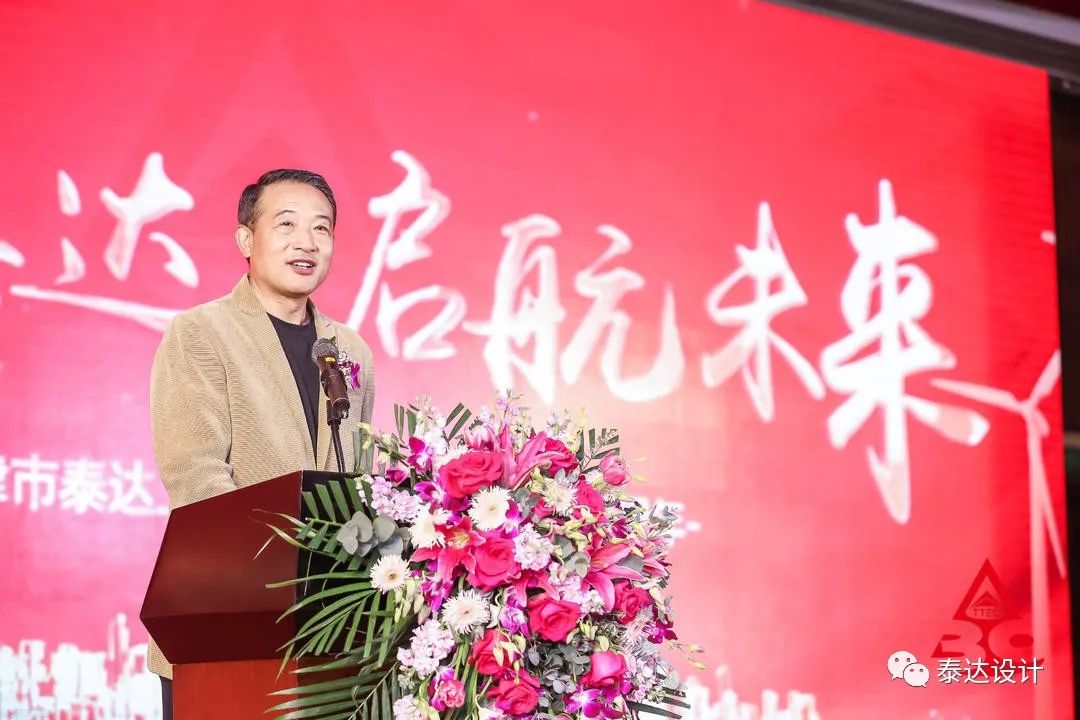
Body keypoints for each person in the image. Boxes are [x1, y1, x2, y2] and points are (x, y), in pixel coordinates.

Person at [146, 169, 375, 718]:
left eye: (321, 228)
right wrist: (277, 572)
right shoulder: (202, 332)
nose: (307, 242)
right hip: (228, 621)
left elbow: (362, 479)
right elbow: (196, 476)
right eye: (287, 225)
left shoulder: (350, 349)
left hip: (331, 630)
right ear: (246, 240)